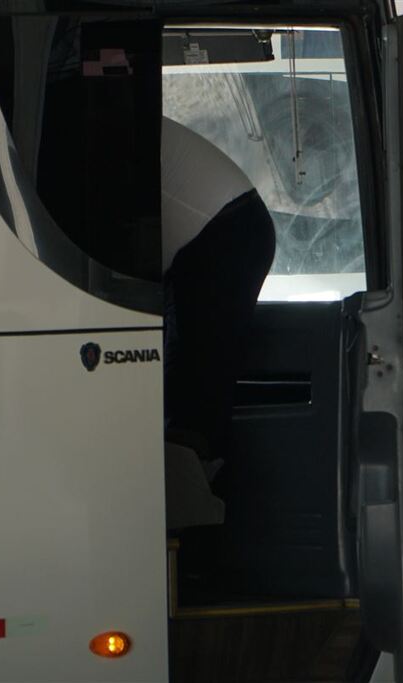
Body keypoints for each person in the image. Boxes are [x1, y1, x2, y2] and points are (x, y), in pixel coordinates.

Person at [161, 117, 276, 468]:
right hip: (228, 224)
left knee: (202, 382)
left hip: (223, 231)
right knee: (201, 375)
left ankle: (196, 482)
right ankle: (195, 480)